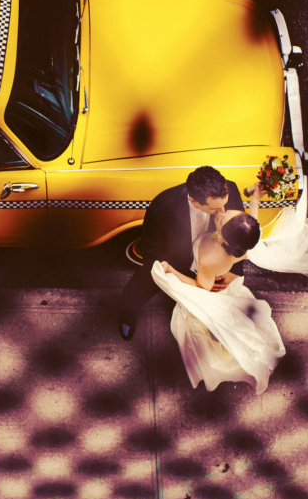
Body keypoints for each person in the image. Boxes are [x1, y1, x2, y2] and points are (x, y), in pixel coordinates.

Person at [152, 205, 286, 393]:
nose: (221, 213)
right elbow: (249, 226)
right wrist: (255, 196)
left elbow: (201, 288)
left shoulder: (211, 259)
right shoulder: (243, 236)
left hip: (208, 283)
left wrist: (171, 271)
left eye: (223, 219)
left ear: (224, 237)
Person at [117, 166, 246, 341]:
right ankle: (126, 315)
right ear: (193, 201)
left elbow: (240, 235)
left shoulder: (231, 189)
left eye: (225, 204)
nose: (223, 213)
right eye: (215, 209)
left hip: (209, 259)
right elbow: (151, 250)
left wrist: (234, 269)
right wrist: (169, 271)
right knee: (138, 289)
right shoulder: (162, 205)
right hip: (173, 261)